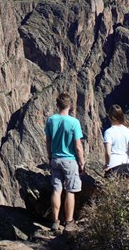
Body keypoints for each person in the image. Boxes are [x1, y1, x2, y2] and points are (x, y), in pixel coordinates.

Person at [45, 93, 85, 232]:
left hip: (55, 159)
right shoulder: (74, 122)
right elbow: (78, 145)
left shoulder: (51, 120)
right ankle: (69, 222)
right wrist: (82, 162)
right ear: (70, 105)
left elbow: (48, 141)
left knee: (56, 190)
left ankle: (55, 221)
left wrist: (50, 157)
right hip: (70, 160)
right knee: (70, 191)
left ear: (58, 105)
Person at [103, 104, 129, 177]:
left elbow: (108, 152)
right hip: (126, 165)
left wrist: (107, 165)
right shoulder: (127, 130)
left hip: (113, 166)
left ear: (110, 117)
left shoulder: (109, 132)